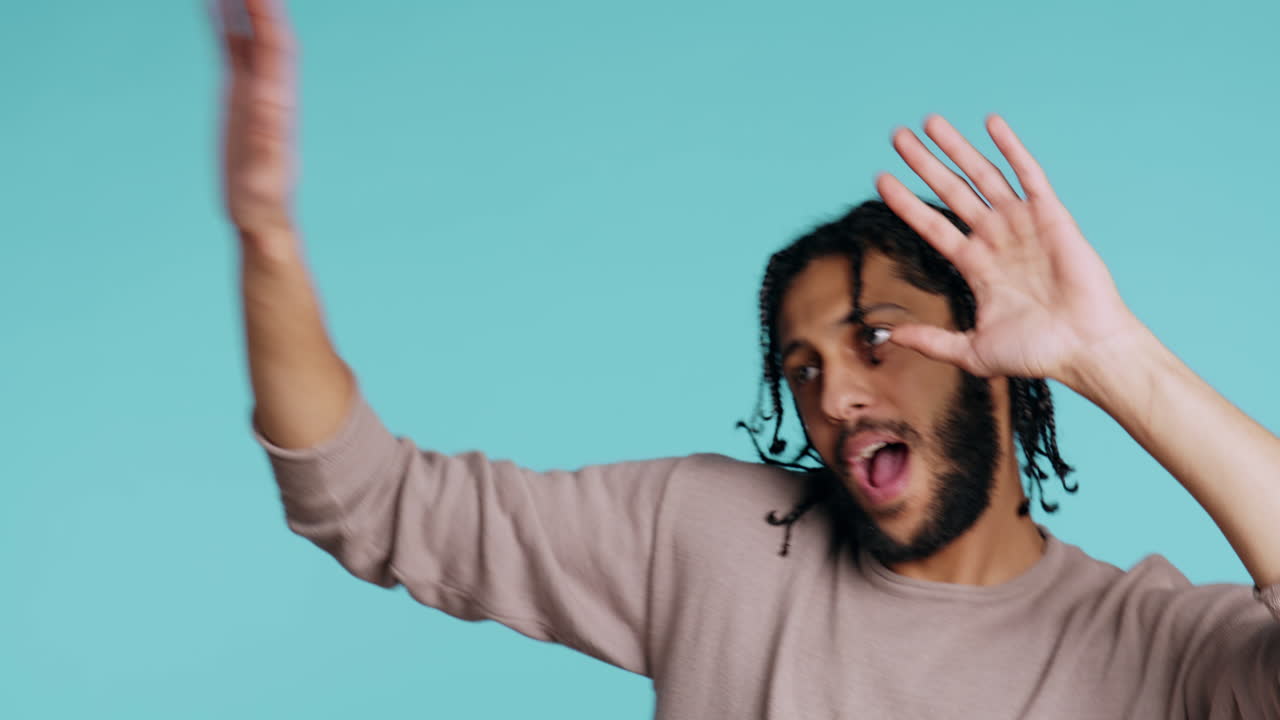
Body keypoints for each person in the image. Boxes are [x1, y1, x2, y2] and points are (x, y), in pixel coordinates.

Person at [211, 0, 1280, 717]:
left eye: (873, 336)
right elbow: (366, 499)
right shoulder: (710, 540)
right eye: (801, 366)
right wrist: (264, 231)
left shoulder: (1160, 652)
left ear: (986, 356)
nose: (835, 393)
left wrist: (1111, 356)